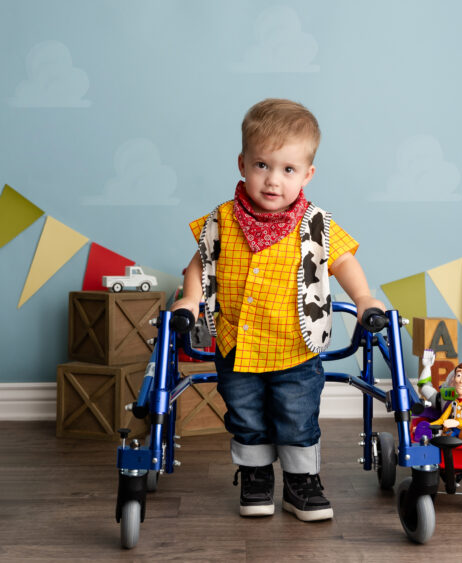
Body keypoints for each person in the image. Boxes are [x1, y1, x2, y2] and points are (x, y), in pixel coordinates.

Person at [171, 99, 386, 522]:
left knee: (297, 416)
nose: (273, 181)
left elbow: (342, 261)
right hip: (238, 345)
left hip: (295, 347)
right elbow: (200, 261)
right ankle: (255, 477)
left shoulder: (316, 223)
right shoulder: (223, 219)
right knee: (246, 415)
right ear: (242, 164)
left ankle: (301, 483)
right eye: (262, 166)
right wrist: (190, 297)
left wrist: (363, 298)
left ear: (307, 174)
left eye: (288, 170)